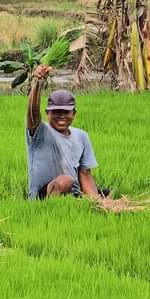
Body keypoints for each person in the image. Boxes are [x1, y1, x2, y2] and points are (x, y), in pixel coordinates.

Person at [25, 65, 109, 200]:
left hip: (73, 192)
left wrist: (96, 201)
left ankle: (79, 204)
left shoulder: (81, 136)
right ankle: (52, 210)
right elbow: (32, 113)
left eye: (66, 112)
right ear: (47, 113)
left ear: (74, 114)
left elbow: (85, 174)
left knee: (109, 193)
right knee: (65, 181)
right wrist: (37, 84)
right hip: (44, 193)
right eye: (56, 111)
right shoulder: (41, 131)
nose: (61, 116)